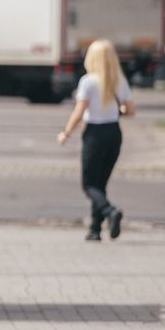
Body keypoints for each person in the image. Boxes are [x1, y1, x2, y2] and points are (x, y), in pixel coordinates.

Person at [57, 39, 135, 240]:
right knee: (100, 184)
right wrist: (118, 110)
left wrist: (65, 132)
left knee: (89, 184)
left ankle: (110, 212)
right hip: (114, 133)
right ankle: (95, 229)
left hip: (94, 134)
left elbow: (79, 112)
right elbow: (130, 110)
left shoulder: (88, 81)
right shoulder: (119, 80)